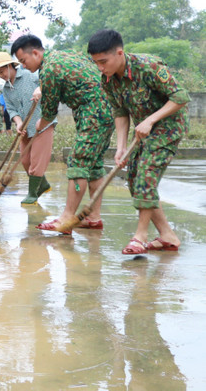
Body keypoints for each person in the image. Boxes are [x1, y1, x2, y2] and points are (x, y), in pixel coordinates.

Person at [88, 29, 187, 254]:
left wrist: (151, 120)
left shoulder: (148, 67)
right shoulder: (108, 80)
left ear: (120, 53)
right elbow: (121, 112)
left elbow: (180, 97)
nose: (100, 68)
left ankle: (139, 237)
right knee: (134, 181)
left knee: (145, 176)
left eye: (103, 62)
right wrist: (121, 147)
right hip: (143, 130)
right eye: (96, 63)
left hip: (168, 127)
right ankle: (167, 235)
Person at [12, 34, 114, 233]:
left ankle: (66, 218)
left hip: (92, 113)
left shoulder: (48, 69)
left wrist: (38, 126)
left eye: (23, 61)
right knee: (94, 166)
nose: (23, 66)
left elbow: (49, 112)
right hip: (108, 109)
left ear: (35, 52)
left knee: (78, 164)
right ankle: (94, 217)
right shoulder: (65, 55)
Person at [0, 51, 55, 205]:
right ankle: (42, 185)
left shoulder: (30, 76)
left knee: (36, 162)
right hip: (24, 127)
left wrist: (41, 89)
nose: (1, 75)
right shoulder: (6, 89)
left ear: (11, 66)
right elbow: (11, 110)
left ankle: (33, 194)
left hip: (43, 124)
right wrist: (18, 123)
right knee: (25, 161)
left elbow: (50, 83)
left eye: (2, 71)